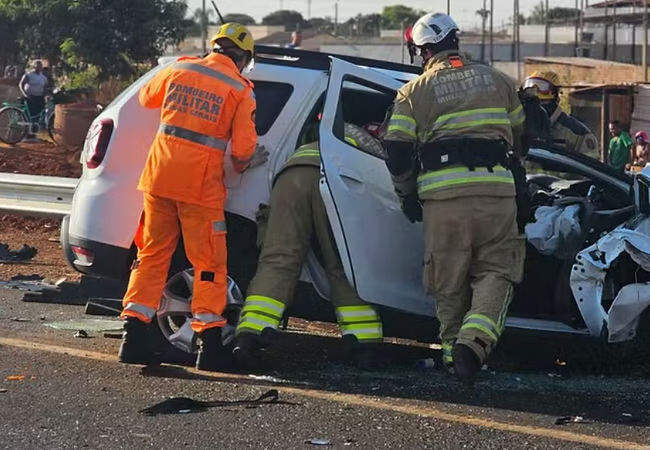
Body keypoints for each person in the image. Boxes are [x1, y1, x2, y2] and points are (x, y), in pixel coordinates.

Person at [382, 12, 526, 386]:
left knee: (447, 278)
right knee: (497, 271)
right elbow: (522, 137)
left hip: (443, 200)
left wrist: (406, 193)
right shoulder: (499, 80)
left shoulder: (414, 92)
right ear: (454, 41)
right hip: (496, 193)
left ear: (424, 49)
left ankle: (452, 356)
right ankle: (473, 345)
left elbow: (396, 149)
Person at [117, 23, 269, 372]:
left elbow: (146, 99)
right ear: (243, 57)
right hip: (199, 187)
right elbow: (244, 149)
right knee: (209, 265)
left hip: (158, 177)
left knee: (152, 255)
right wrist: (246, 163)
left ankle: (133, 337)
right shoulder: (240, 89)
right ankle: (209, 346)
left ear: (215, 46)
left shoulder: (180, 67)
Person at [234, 119, 386, 370]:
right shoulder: (370, 143)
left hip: (292, 174)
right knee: (345, 263)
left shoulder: (321, 133)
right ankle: (365, 346)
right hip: (335, 179)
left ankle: (250, 336)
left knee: (278, 259)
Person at [521, 71, 599, 159]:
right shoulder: (518, 128)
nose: (536, 110)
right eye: (532, 104)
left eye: (541, 103)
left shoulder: (578, 134)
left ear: (557, 99)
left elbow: (589, 169)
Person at [18, 60, 48, 137]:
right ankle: (26, 132)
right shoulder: (28, 75)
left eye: (40, 66)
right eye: (37, 65)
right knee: (28, 115)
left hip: (39, 97)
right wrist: (24, 94)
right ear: (33, 66)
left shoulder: (43, 77)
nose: (38, 67)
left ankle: (33, 132)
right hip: (30, 97)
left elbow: (45, 88)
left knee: (37, 115)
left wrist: (45, 96)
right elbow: (21, 84)